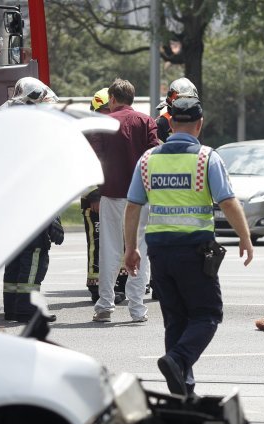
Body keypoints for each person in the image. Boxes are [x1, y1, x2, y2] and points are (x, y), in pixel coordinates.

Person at [123, 97, 254, 396]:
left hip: (159, 252)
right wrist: (245, 237)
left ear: (169, 124)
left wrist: (130, 249)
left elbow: (133, 207)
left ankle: (183, 389)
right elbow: (228, 202)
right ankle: (178, 360)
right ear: (200, 124)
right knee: (208, 314)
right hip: (194, 250)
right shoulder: (207, 158)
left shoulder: (148, 160)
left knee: (175, 319)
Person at [90, 78, 159, 323]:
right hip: (141, 198)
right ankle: (137, 308)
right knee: (140, 250)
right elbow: (155, 152)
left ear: (113, 99)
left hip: (112, 195)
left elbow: (95, 157)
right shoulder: (145, 121)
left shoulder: (104, 123)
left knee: (109, 251)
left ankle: (105, 305)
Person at [0, 77, 59, 322]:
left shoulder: (4, 119)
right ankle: (27, 307)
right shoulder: (28, 126)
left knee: (15, 254)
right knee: (35, 252)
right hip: (29, 202)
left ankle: (12, 307)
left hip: (8, 203)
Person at [81, 87, 128, 304]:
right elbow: (85, 167)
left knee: (119, 242)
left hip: (112, 196)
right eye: (103, 110)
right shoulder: (90, 132)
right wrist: (94, 196)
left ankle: (117, 285)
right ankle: (96, 287)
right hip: (96, 200)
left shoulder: (110, 131)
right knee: (97, 243)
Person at [155, 77, 199, 143]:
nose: (188, 104)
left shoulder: (194, 119)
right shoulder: (161, 123)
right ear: (172, 99)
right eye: (184, 99)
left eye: (191, 99)